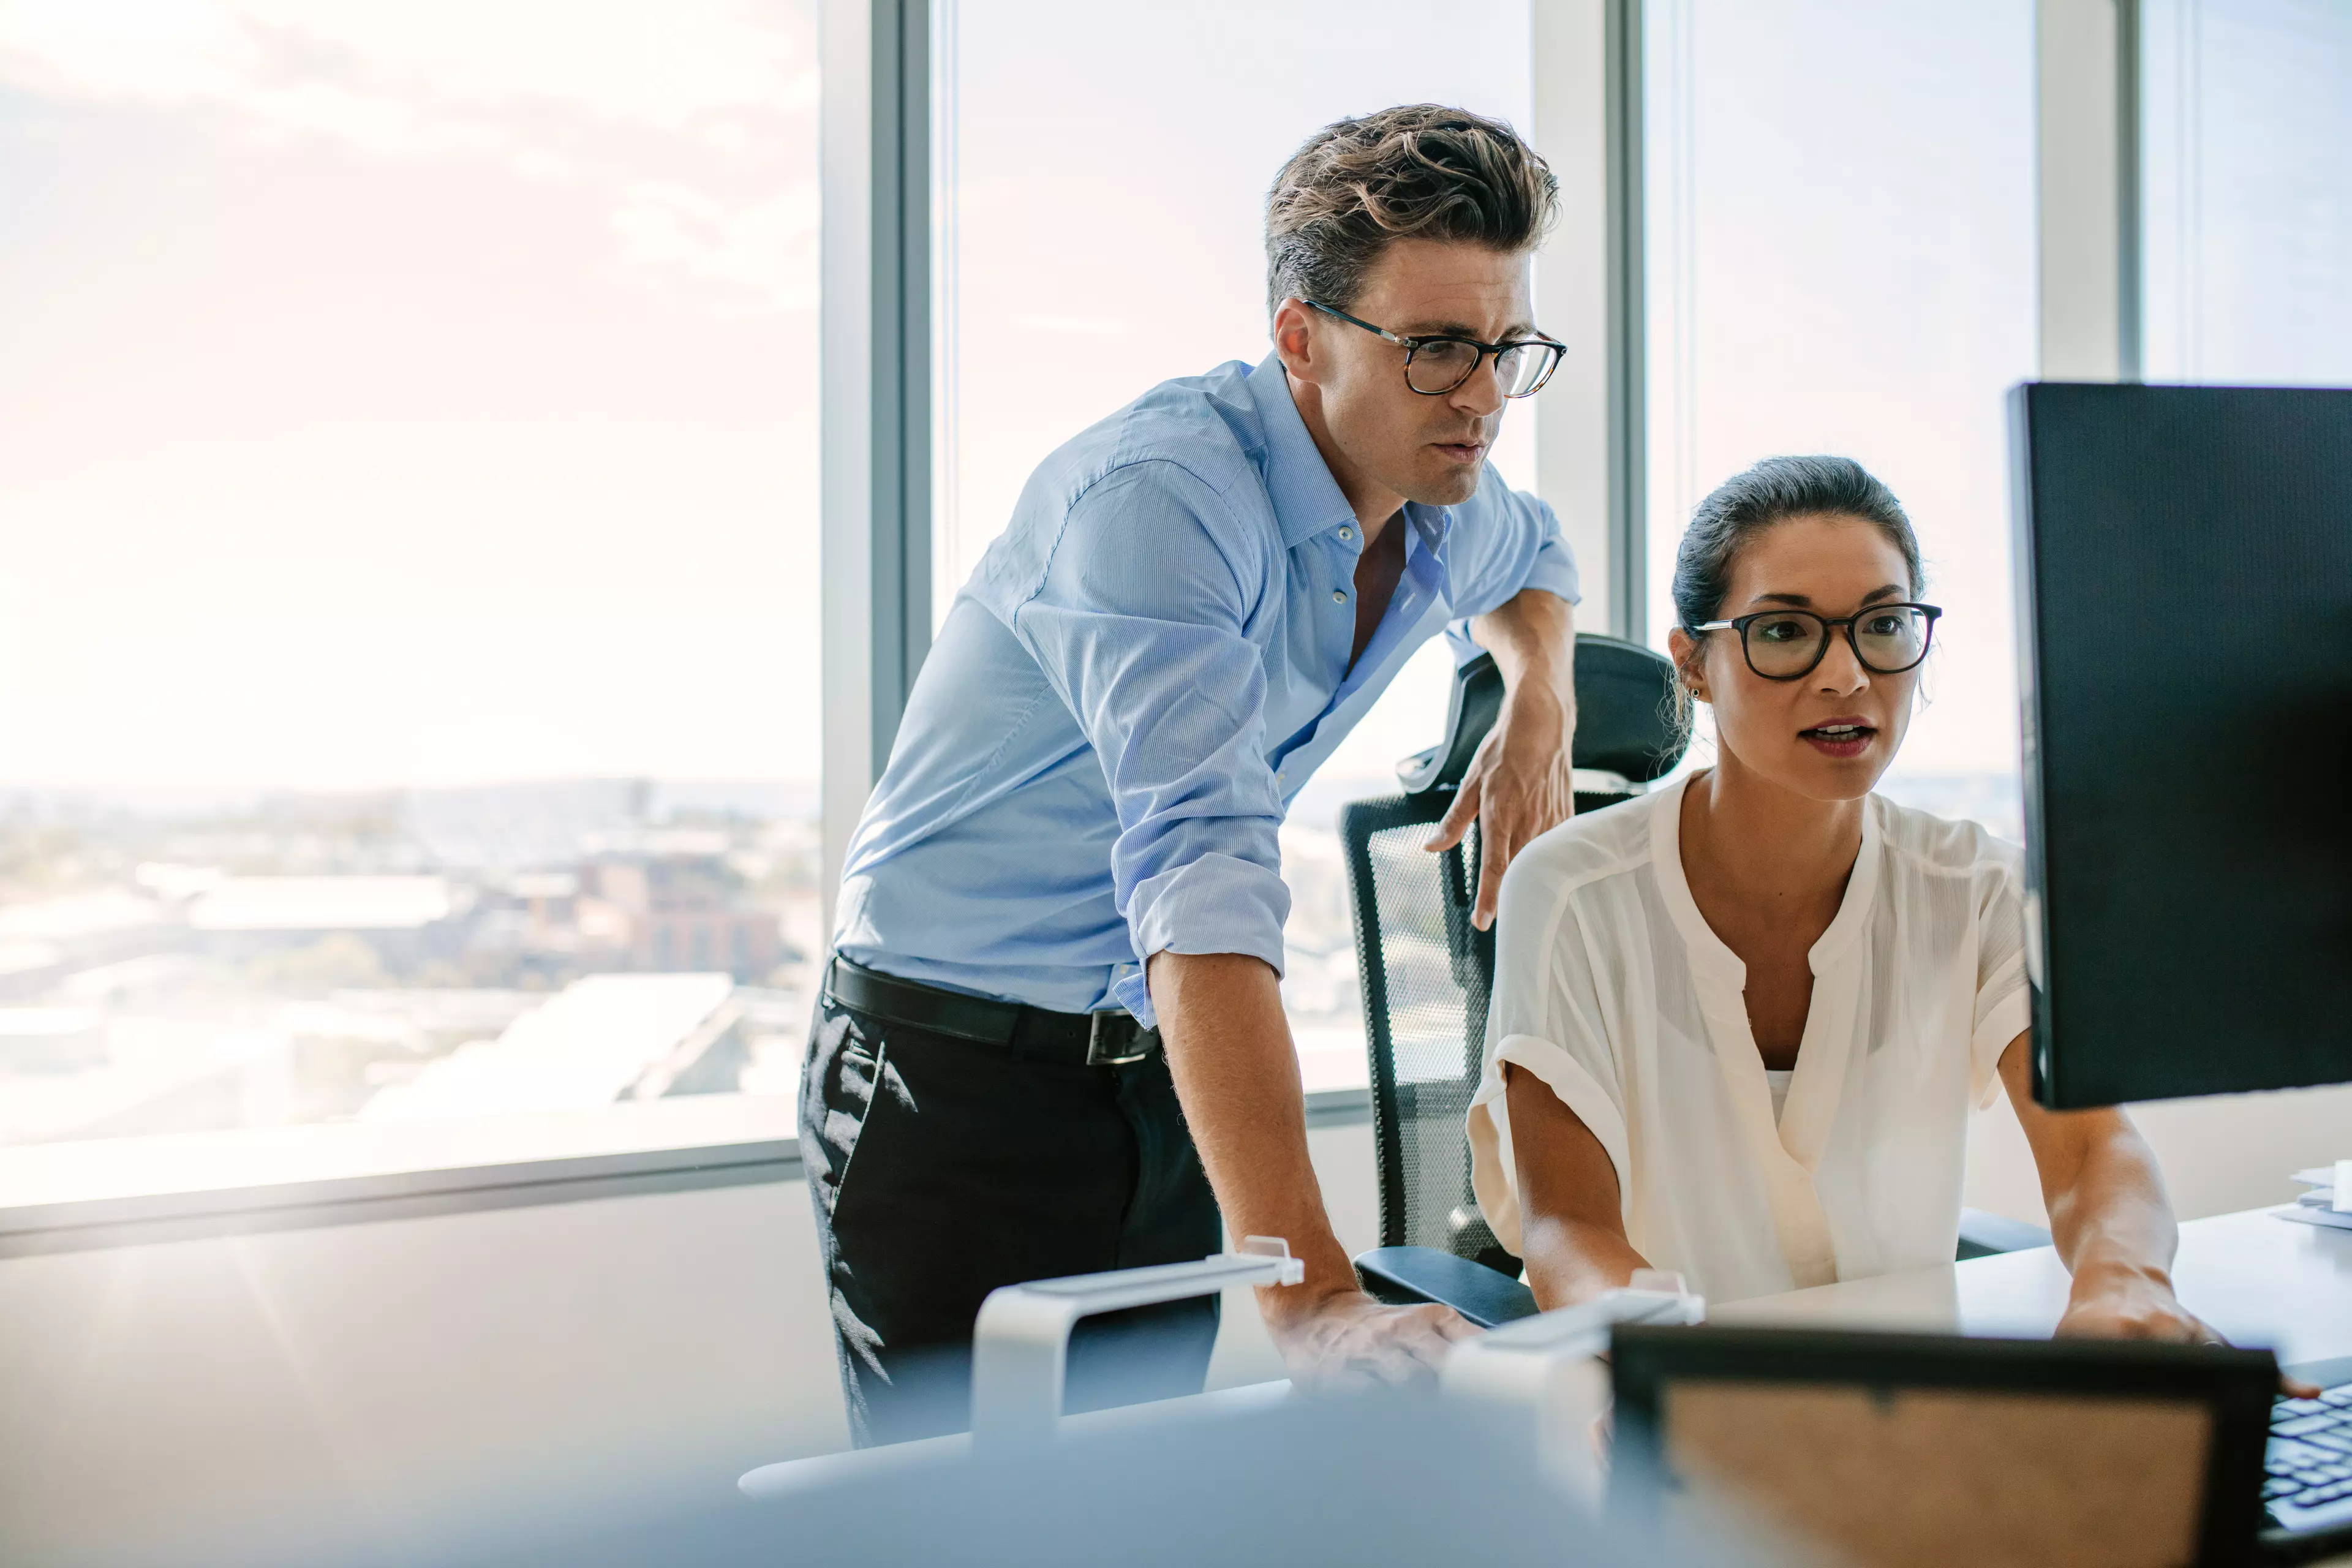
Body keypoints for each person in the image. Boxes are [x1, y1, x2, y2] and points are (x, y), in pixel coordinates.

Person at [806, 104, 1586, 1445]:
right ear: (1301, 336)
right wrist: (1318, 1301)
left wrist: (1540, 702)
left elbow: (1539, 563)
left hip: (1155, 1072)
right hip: (953, 1067)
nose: (1485, 396)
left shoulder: (1442, 490)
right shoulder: (1157, 500)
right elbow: (1203, 873)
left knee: (1135, 1496)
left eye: (1508, 347)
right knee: (960, 1523)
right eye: (1440, 348)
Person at [1468, 454, 2219, 1342]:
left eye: (1884, 625)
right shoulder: (1570, 891)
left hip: (1905, 1422)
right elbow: (1568, 1230)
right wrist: (1686, 1377)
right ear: (1695, 663)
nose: (1846, 675)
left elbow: (2096, 1150)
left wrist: (2122, 1285)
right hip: (1656, 1421)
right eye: (1785, 632)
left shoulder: (1976, 890)